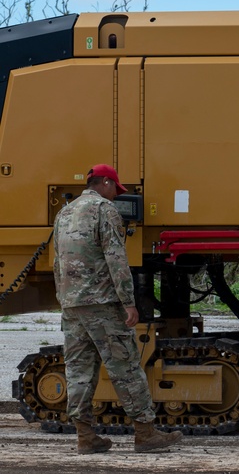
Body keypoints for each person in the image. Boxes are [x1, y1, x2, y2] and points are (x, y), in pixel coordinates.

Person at [53, 163, 182, 454]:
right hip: (101, 304)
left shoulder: (64, 213)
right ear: (106, 183)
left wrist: (65, 298)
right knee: (125, 368)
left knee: (79, 371)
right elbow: (116, 260)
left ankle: (85, 438)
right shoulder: (104, 210)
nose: (116, 196)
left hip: (72, 306)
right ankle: (146, 434)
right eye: (116, 190)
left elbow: (57, 262)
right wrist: (128, 302)